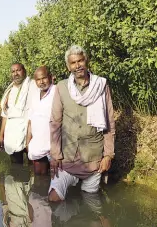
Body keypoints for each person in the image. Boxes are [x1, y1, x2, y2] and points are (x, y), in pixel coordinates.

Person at [48, 45, 116, 202]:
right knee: (54, 198)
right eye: (73, 63)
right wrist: (56, 155)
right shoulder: (62, 87)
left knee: (90, 201)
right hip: (67, 157)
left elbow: (109, 122)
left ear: (87, 61)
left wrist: (108, 155)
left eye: (80, 60)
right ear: (68, 66)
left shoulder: (100, 85)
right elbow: (55, 123)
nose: (77, 65)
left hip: (93, 157)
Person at [0, 63, 38, 164]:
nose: (16, 73)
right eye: (13, 71)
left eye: (18, 70)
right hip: (12, 134)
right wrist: (1, 136)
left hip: (31, 132)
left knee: (33, 164)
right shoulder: (9, 91)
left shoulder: (33, 85)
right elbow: (5, 115)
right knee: (16, 167)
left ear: (24, 71)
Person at [26, 66, 55, 175]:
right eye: (38, 80)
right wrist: (27, 142)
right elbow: (30, 121)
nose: (41, 82)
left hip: (54, 146)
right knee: (40, 179)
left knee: (56, 179)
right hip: (38, 145)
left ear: (50, 77)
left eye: (44, 78)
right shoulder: (34, 96)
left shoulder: (57, 92)